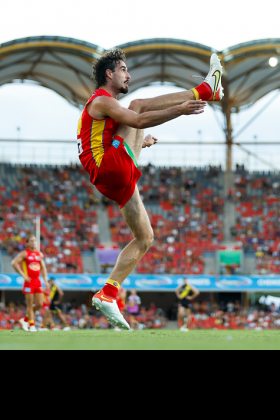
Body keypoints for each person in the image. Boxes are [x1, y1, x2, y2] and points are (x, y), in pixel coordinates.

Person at [78, 49, 223, 329]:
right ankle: (205, 90)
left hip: (112, 177)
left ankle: (108, 294)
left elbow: (114, 134)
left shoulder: (104, 107)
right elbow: (139, 120)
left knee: (145, 237)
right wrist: (179, 110)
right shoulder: (100, 100)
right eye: (123, 69)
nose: (128, 74)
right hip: (110, 168)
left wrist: (137, 143)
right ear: (109, 73)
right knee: (138, 105)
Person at [12, 234, 49, 332]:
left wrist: (45, 280)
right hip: (29, 282)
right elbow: (14, 263)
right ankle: (31, 325)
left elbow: (43, 268)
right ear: (27, 243)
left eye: (35, 240)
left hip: (37, 281)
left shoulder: (39, 254)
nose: (34, 242)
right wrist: (23, 275)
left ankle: (25, 320)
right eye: (31, 241)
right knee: (30, 303)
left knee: (40, 304)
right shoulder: (25, 253)